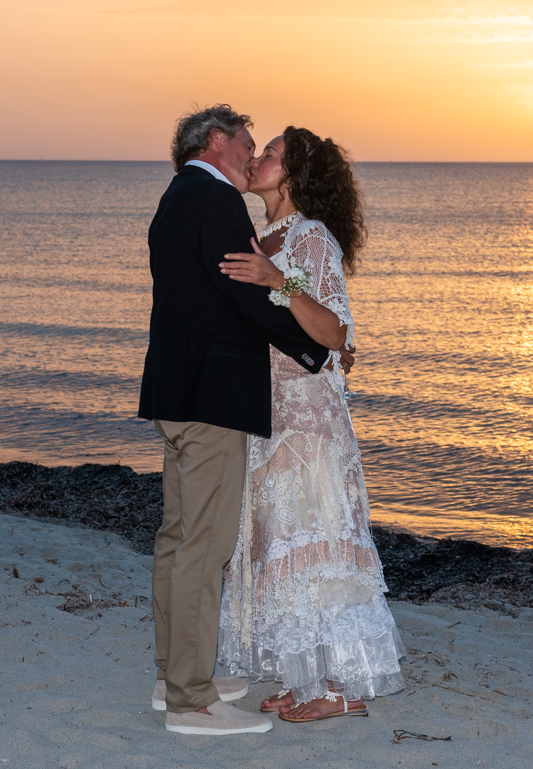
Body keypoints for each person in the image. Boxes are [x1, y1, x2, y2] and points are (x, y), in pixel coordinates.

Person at [138, 106, 330, 736]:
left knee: (176, 537)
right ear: (215, 141)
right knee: (204, 544)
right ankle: (192, 699)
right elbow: (241, 291)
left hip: (175, 390)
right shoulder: (215, 200)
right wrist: (315, 346)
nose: (252, 155)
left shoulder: (175, 196)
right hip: (213, 398)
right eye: (247, 142)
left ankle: (176, 676)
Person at [217, 126, 406, 723]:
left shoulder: (311, 237)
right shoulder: (258, 236)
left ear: (293, 174)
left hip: (307, 416)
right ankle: (302, 675)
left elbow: (335, 332)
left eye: (269, 154)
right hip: (264, 409)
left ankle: (338, 684)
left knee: (315, 542)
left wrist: (280, 281)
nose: (257, 159)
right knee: (276, 544)